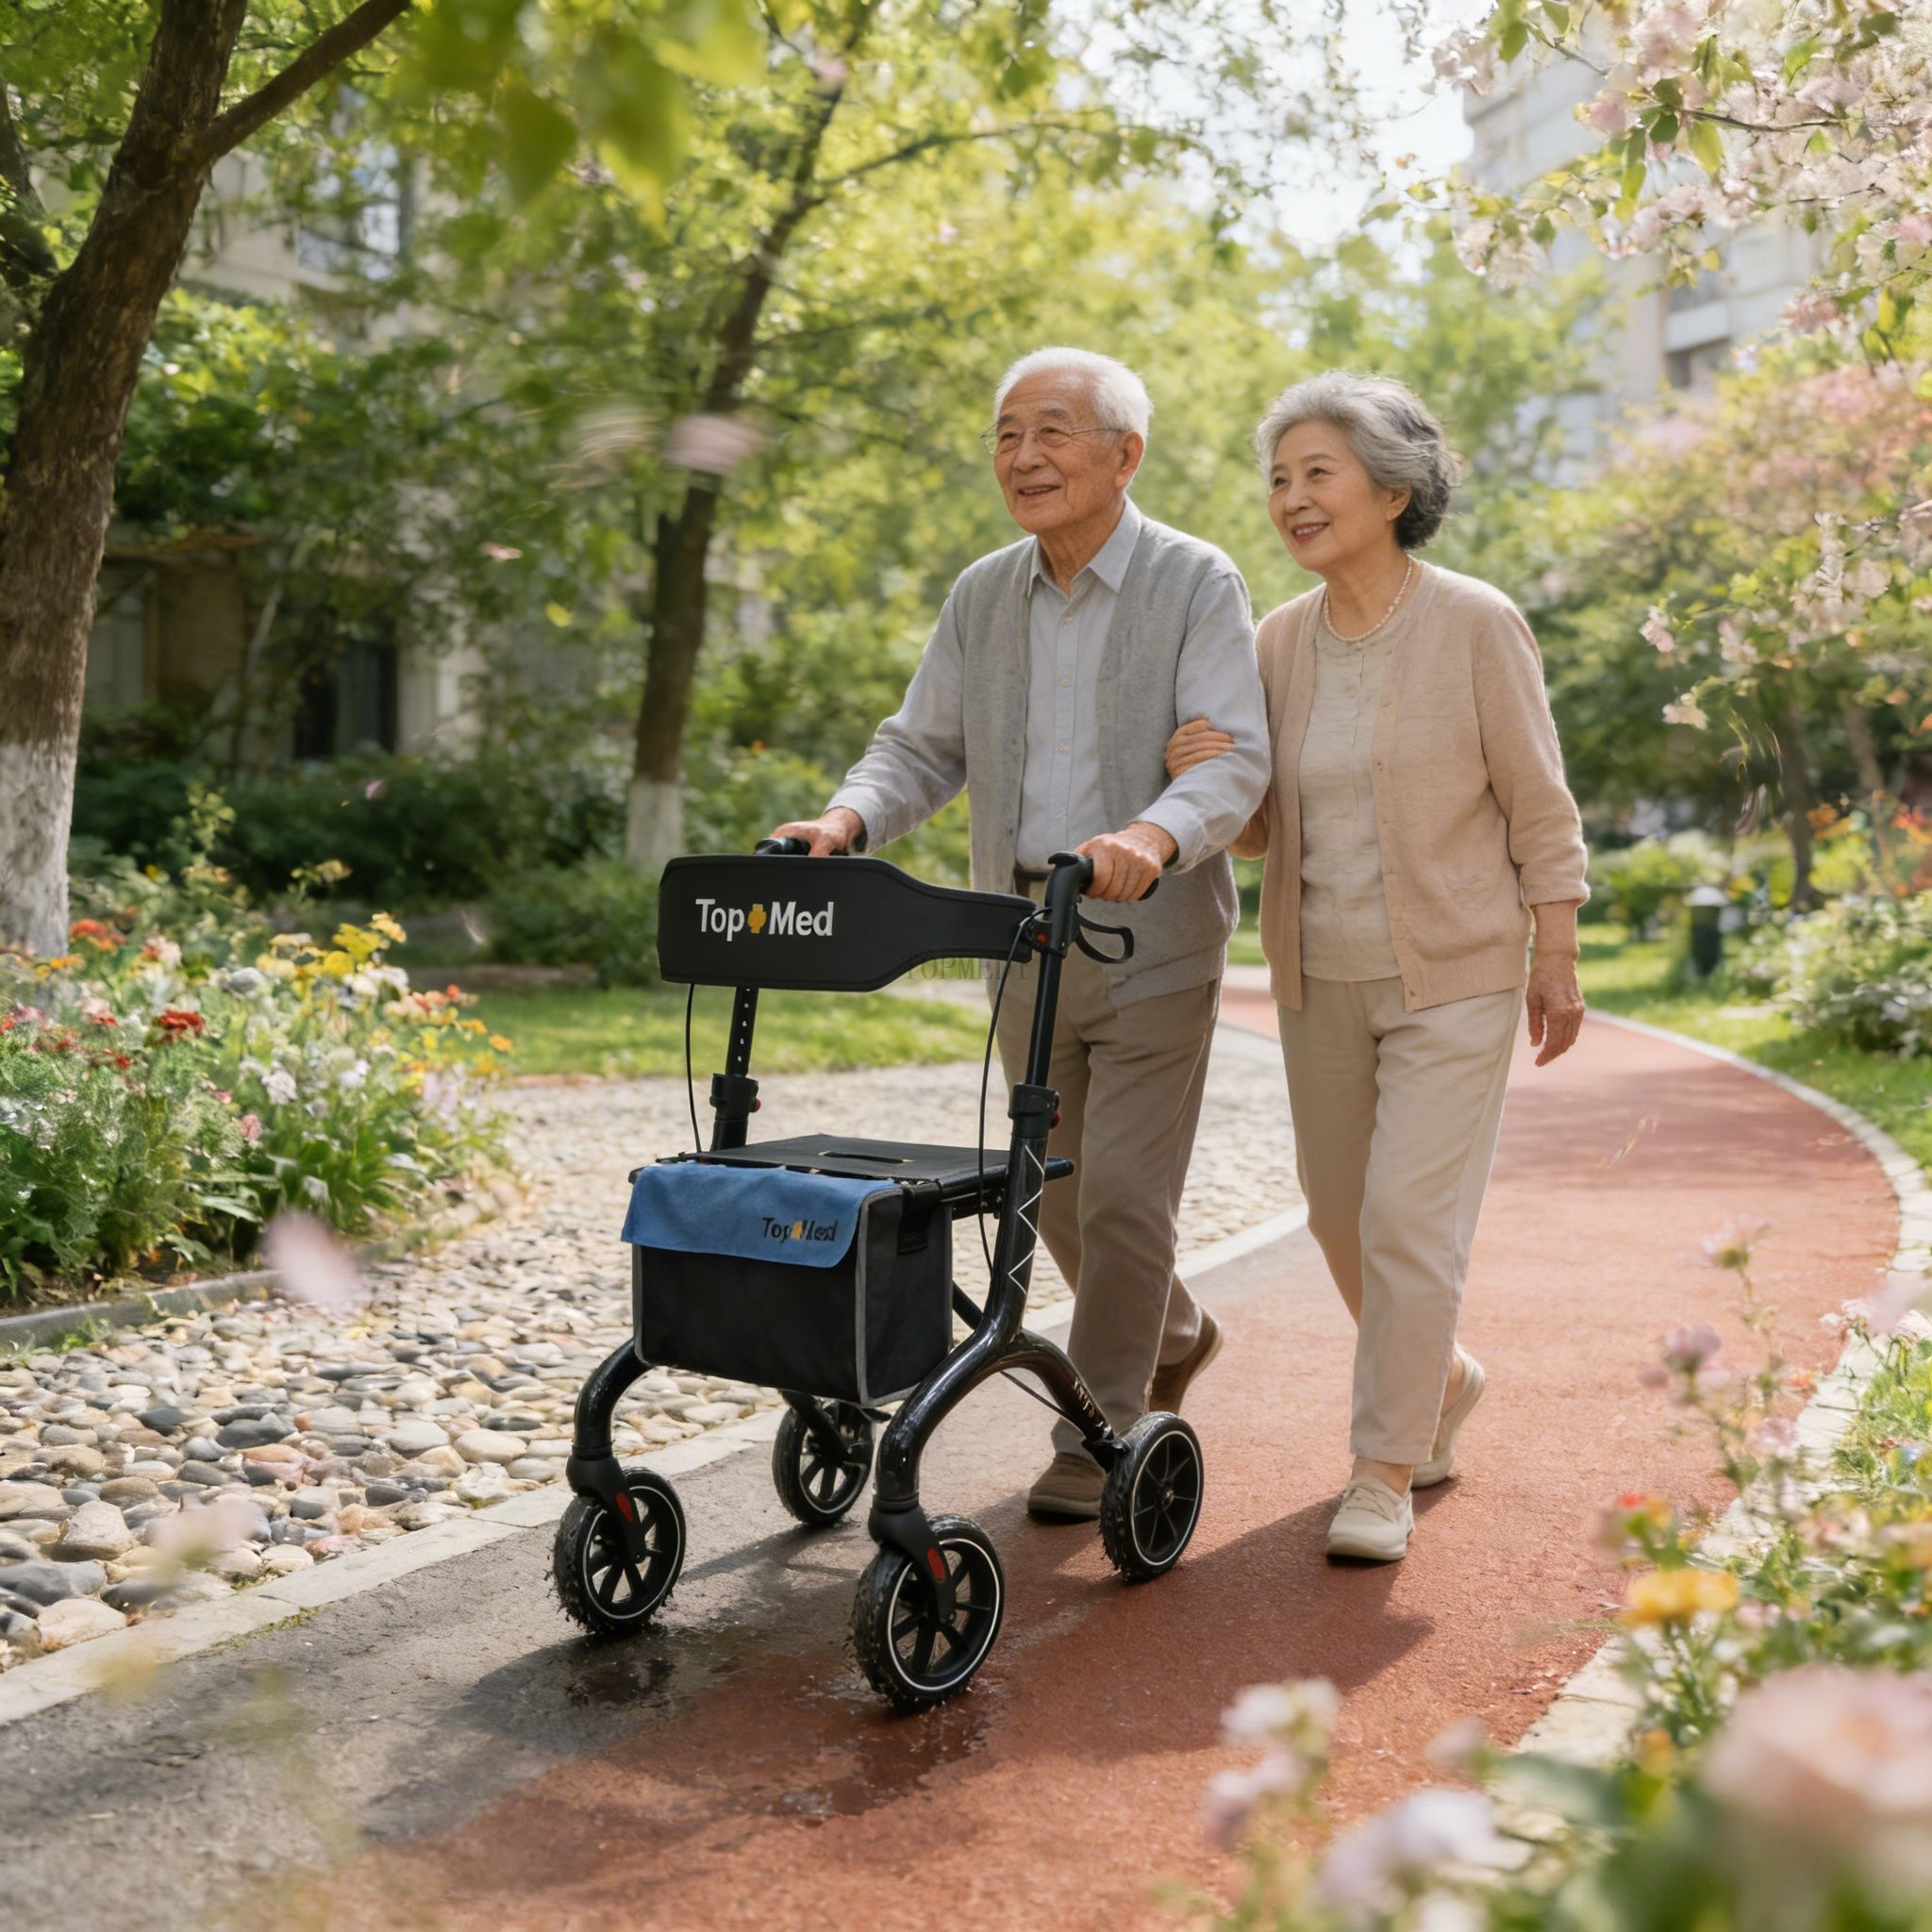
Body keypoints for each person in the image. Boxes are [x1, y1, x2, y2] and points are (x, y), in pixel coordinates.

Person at [774, 346, 1270, 1521]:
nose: (1023, 455)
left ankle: (1096, 1416)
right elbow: (919, 747)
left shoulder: (1194, 581)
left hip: (1150, 942)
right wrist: (846, 817)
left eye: (1052, 430)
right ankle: (1177, 1331)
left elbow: (1233, 753)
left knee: (1124, 1202)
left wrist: (1152, 834)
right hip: (1023, 944)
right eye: (1006, 434)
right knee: (1045, 1190)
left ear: (1122, 454)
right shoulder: (982, 592)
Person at [1166, 371, 1588, 1562]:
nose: (1290, 498)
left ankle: (1381, 1467)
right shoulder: (1276, 641)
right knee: (1338, 1213)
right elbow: (1259, 828)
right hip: (1318, 973)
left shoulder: (1473, 620)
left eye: (1317, 473)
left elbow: (1536, 801)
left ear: (1393, 488)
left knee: (1407, 1220)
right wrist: (1206, 763)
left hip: (1454, 971)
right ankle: (1441, 1374)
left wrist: (1553, 947)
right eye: (1278, 479)